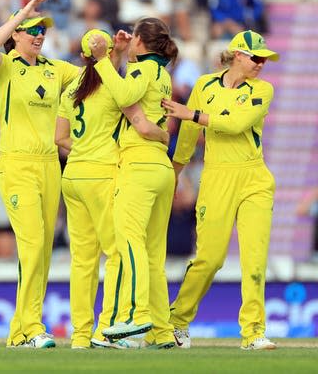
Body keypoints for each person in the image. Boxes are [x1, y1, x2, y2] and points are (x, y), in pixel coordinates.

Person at [162, 30, 279, 351]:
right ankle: (177, 321)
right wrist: (176, 171)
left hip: (254, 178)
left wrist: (192, 113)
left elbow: (236, 124)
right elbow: (187, 133)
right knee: (210, 259)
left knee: (254, 260)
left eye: (264, 60)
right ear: (238, 55)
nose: (260, 64)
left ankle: (254, 332)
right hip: (216, 178)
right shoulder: (204, 85)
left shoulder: (263, 89)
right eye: (256, 58)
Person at [55, 29, 169, 350]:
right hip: (104, 174)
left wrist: (85, 149)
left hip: (73, 175)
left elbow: (59, 138)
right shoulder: (112, 87)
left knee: (82, 261)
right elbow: (133, 110)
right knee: (118, 253)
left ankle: (79, 336)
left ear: (82, 57)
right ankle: (106, 328)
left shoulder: (71, 90)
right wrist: (161, 136)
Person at [0, 0, 80, 348]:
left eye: (42, 30)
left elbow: (92, 80)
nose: (39, 35)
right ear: (16, 35)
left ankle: (19, 333)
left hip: (50, 164)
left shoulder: (55, 69)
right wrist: (20, 13)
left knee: (43, 249)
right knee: (33, 244)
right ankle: (32, 325)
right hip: (17, 164)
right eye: (31, 29)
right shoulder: (3, 67)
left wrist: (110, 53)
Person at [98, 17, 179, 349]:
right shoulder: (164, 75)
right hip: (161, 167)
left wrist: (103, 59)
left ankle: (136, 315)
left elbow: (123, 95)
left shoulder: (142, 71)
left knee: (130, 241)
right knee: (153, 253)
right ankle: (161, 331)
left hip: (139, 165)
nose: (128, 40)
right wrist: (121, 54)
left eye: (133, 37)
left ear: (141, 42)